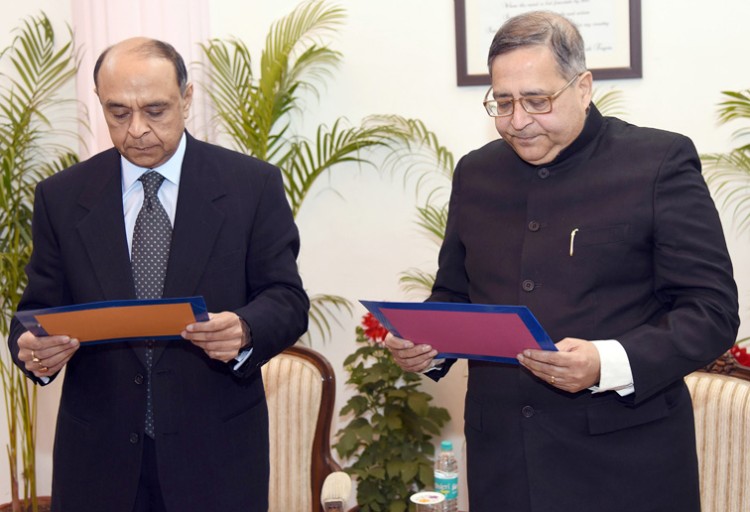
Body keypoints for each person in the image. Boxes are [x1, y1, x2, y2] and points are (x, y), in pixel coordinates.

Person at [385, 11, 739, 512]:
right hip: (504, 462)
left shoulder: (657, 163)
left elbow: (712, 312)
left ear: (583, 86)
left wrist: (605, 363)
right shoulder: (476, 173)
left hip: (626, 466)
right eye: (502, 102)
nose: (518, 120)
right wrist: (430, 344)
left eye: (537, 100)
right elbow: (455, 292)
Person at [8, 37, 309, 512]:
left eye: (155, 109)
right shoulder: (62, 197)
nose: (138, 130)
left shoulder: (251, 186)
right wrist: (32, 348)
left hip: (216, 457)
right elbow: (36, 310)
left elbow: (287, 299)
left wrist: (246, 328)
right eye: (119, 113)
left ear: (186, 99)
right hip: (97, 462)